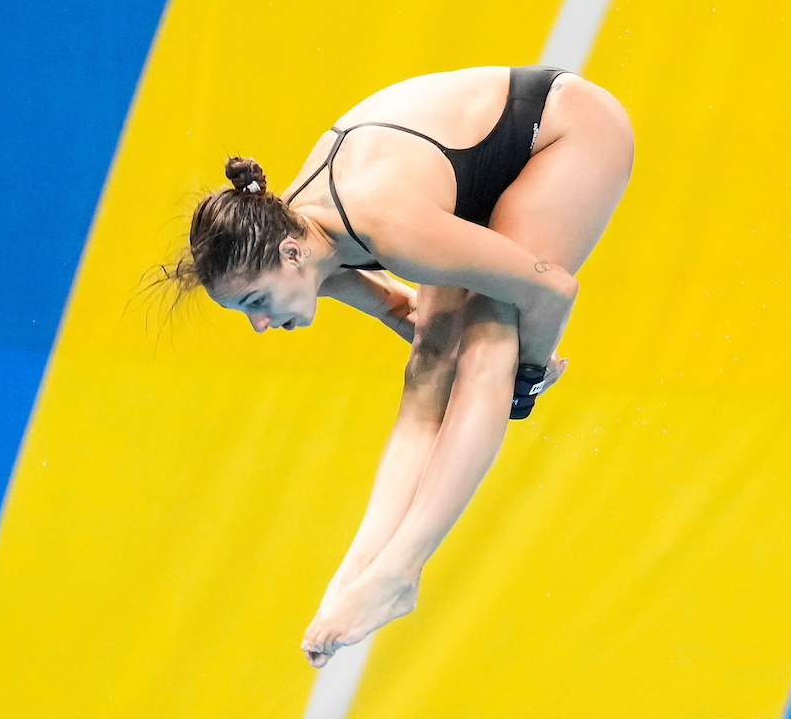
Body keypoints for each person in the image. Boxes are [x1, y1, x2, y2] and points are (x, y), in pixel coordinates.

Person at [167, 65, 633, 668]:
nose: (260, 324)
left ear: (289, 252)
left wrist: (526, 375)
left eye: (255, 302)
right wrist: (454, 353)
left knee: (492, 337)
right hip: (468, 169)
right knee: (431, 364)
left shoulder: (386, 226)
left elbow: (551, 293)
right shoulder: (311, 248)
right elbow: (408, 315)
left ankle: (401, 570)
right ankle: (361, 567)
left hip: (566, 131)